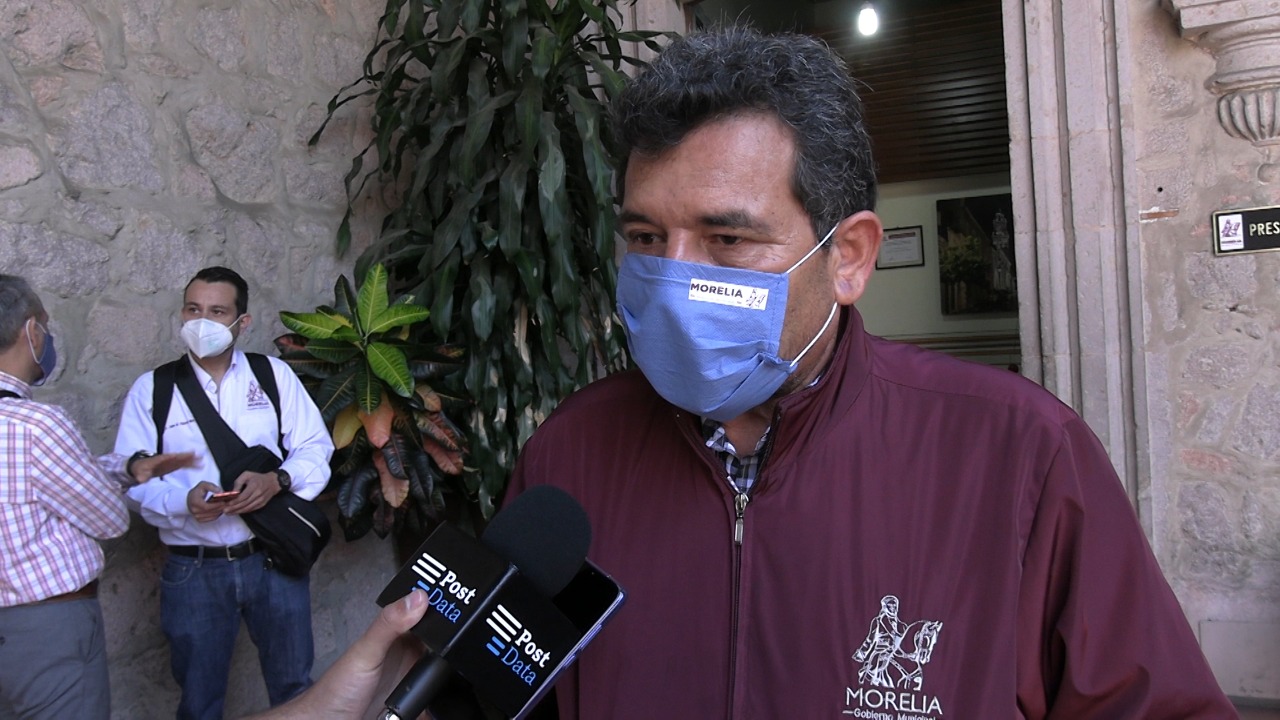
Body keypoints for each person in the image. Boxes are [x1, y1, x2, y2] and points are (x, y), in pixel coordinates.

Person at [259, 26, 1237, 719]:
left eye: (727, 241)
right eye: (646, 238)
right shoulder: (571, 453)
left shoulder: (1016, 453)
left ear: (848, 257)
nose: (673, 278)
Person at [113, 266, 335, 720]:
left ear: (242, 321)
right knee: (199, 702)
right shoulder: (153, 390)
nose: (202, 321)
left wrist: (279, 480)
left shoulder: (271, 376)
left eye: (217, 312)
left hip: (272, 559)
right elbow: (135, 478)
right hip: (194, 570)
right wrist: (183, 502)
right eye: (193, 309)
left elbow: (316, 446)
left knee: (295, 690)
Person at [0, 274, 195, 719]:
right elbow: (109, 519)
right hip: (46, 629)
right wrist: (109, 485)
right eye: (45, 326)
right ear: (31, 332)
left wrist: (126, 468)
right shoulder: (37, 426)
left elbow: (38, 485)